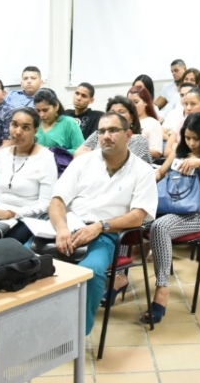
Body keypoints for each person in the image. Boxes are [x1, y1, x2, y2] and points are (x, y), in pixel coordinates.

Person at [49, 112, 158, 336]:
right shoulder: (83, 162)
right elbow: (57, 200)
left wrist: (100, 226)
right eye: (101, 131)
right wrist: (61, 229)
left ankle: (74, 334)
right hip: (68, 227)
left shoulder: (143, 171)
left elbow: (138, 216)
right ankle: (24, 329)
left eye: (113, 131)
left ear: (128, 135)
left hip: (106, 234)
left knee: (91, 271)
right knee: (26, 260)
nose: (106, 136)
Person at [144, 113, 200, 322]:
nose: (191, 143)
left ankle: (162, 289)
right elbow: (161, 174)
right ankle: (119, 278)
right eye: (187, 138)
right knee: (129, 215)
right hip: (170, 207)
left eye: (196, 138)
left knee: (160, 227)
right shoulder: (180, 151)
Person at [0, 107, 56, 243]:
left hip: (26, 218)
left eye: (25, 127)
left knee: (0, 245)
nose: (17, 132)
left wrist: (12, 213)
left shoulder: (46, 158)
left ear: (35, 130)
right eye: (14, 125)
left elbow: (45, 204)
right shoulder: (2, 154)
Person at [75, 96, 152, 164]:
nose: (116, 115)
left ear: (132, 118)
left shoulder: (138, 140)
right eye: (112, 112)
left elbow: (125, 165)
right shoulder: (98, 134)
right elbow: (77, 154)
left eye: (121, 112)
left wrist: (91, 155)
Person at [32, 88, 85, 152]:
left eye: (45, 110)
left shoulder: (69, 123)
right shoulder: (35, 123)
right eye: (38, 111)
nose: (41, 115)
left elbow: (81, 151)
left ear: (56, 106)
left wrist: (56, 152)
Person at [128, 85, 165, 160]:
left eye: (136, 102)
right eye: (129, 102)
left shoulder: (153, 123)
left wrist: (132, 149)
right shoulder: (124, 121)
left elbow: (157, 151)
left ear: (145, 102)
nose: (132, 106)